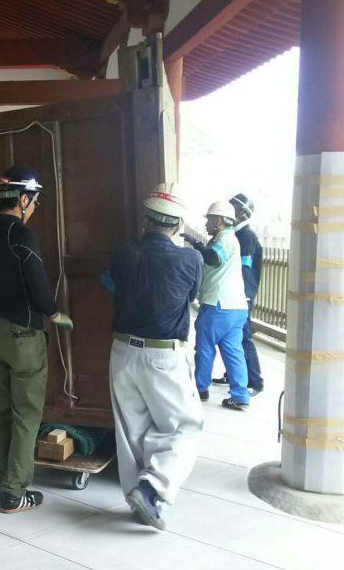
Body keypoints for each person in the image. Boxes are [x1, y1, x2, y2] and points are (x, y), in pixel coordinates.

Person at [102, 188, 204, 531]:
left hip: (122, 352)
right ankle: (152, 488)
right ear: (178, 225)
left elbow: (110, 285)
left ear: (146, 220)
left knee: (131, 430)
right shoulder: (190, 259)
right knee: (185, 426)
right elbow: (190, 295)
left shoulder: (122, 254)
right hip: (164, 355)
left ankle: (140, 501)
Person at [0, 165, 74, 514]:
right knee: (26, 414)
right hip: (22, 334)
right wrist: (55, 312)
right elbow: (37, 285)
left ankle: (4, 478)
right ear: (23, 198)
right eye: (34, 202)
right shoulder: (23, 237)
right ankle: (14, 493)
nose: (34, 209)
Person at [182, 200, 251, 410]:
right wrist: (198, 244)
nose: (207, 224)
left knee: (204, 347)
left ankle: (200, 389)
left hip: (217, 305)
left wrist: (196, 246)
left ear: (219, 220)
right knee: (233, 351)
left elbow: (213, 257)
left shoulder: (225, 239)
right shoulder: (230, 239)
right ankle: (240, 396)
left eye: (210, 220)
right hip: (236, 307)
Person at [213, 193, 264, 395]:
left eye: (232, 206)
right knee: (231, 337)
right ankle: (232, 374)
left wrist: (240, 293)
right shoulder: (235, 234)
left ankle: (255, 381)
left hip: (242, 294)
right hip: (235, 293)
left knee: (243, 336)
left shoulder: (246, 236)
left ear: (242, 213)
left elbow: (244, 267)